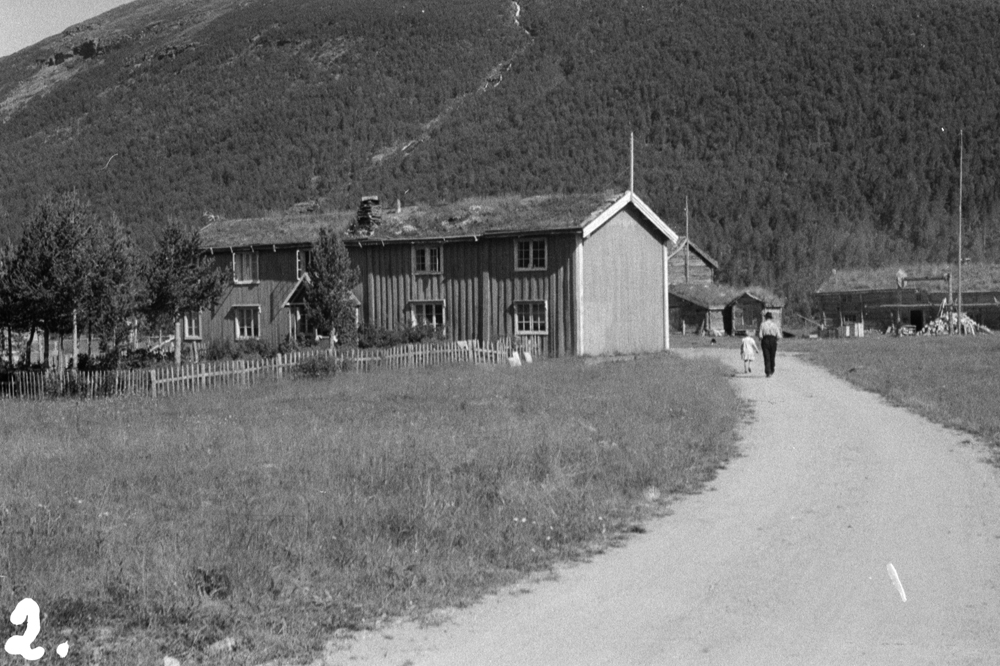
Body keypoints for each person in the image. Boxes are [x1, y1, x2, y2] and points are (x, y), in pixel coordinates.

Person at [758, 312, 781, 377]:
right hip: (773, 340)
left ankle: (768, 372)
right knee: (772, 356)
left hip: (765, 340)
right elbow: (779, 336)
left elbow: (760, 335)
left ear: (765, 317)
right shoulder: (775, 325)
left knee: (766, 356)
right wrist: (775, 340)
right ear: (771, 318)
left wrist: (761, 339)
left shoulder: (762, 324)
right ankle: (772, 369)